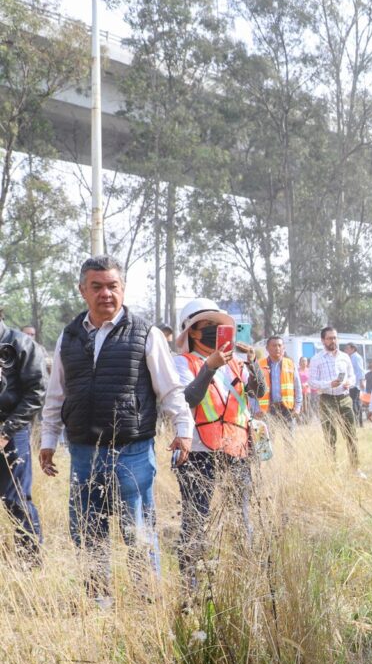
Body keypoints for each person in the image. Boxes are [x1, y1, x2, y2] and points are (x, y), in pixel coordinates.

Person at [39, 255, 193, 603]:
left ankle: (146, 602)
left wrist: (183, 429)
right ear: (83, 291)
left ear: (122, 289)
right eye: (97, 287)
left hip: (132, 451)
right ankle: (99, 601)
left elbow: (169, 389)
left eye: (113, 286)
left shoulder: (146, 334)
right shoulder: (70, 336)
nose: (105, 293)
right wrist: (48, 438)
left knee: (137, 529)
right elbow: (57, 393)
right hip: (81, 451)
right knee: (86, 531)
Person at [172, 299, 266, 591]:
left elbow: (258, 391)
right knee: (195, 520)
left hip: (236, 451)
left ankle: (244, 577)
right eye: (207, 327)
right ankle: (193, 585)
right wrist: (209, 368)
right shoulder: (183, 362)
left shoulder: (236, 363)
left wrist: (253, 364)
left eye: (219, 327)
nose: (215, 332)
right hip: (198, 453)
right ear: (193, 333)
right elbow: (188, 399)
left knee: (242, 516)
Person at [0, 316, 46, 565]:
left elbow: (37, 392)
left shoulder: (20, 344)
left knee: (15, 498)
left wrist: (6, 431)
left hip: (11, 431)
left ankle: (31, 563)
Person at [309, 327, 360, 470]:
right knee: (330, 437)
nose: (333, 340)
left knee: (351, 434)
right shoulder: (316, 359)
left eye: (335, 337)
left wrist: (350, 382)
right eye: (330, 338)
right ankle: (332, 469)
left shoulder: (345, 356)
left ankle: (355, 468)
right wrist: (328, 384)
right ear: (323, 340)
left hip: (344, 398)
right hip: (327, 399)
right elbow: (312, 382)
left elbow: (352, 375)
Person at [257, 336, 302, 430]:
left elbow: (298, 388)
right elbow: (253, 390)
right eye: (273, 345)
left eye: (279, 345)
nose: (277, 348)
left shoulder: (290, 364)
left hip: (287, 409)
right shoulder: (259, 365)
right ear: (267, 348)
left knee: (289, 441)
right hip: (267, 409)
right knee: (267, 442)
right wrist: (256, 409)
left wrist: (297, 407)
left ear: (283, 348)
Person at [343, 343, 366, 427]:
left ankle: (356, 421)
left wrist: (362, 381)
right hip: (351, 384)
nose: (346, 350)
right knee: (355, 402)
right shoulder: (350, 357)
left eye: (347, 348)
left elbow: (360, 370)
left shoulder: (357, 357)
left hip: (355, 384)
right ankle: (358, 422)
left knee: (354, 402)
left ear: (353, 349)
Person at [297, 356, 312, 423]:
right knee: (300, 406)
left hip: (307, 391)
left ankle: (307, 421)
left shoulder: (309, 370)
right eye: (302, 361)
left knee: (307, 406)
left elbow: (311, 380)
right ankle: (299, 421)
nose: (304, 362)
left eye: (305, 361)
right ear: (299, 362)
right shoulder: (297, 371)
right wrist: (300, 385)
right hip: (299, 391)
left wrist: (306, 384)